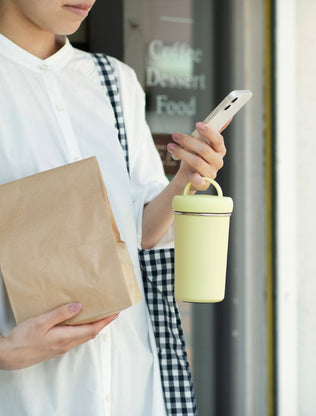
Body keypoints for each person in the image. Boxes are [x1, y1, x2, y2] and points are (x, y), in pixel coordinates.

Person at [0, 1, 226, 414]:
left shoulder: (113, 82)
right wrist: (3, 353)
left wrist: (183, 180)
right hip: (29, 395)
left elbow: (137, 229)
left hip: (132, 387)